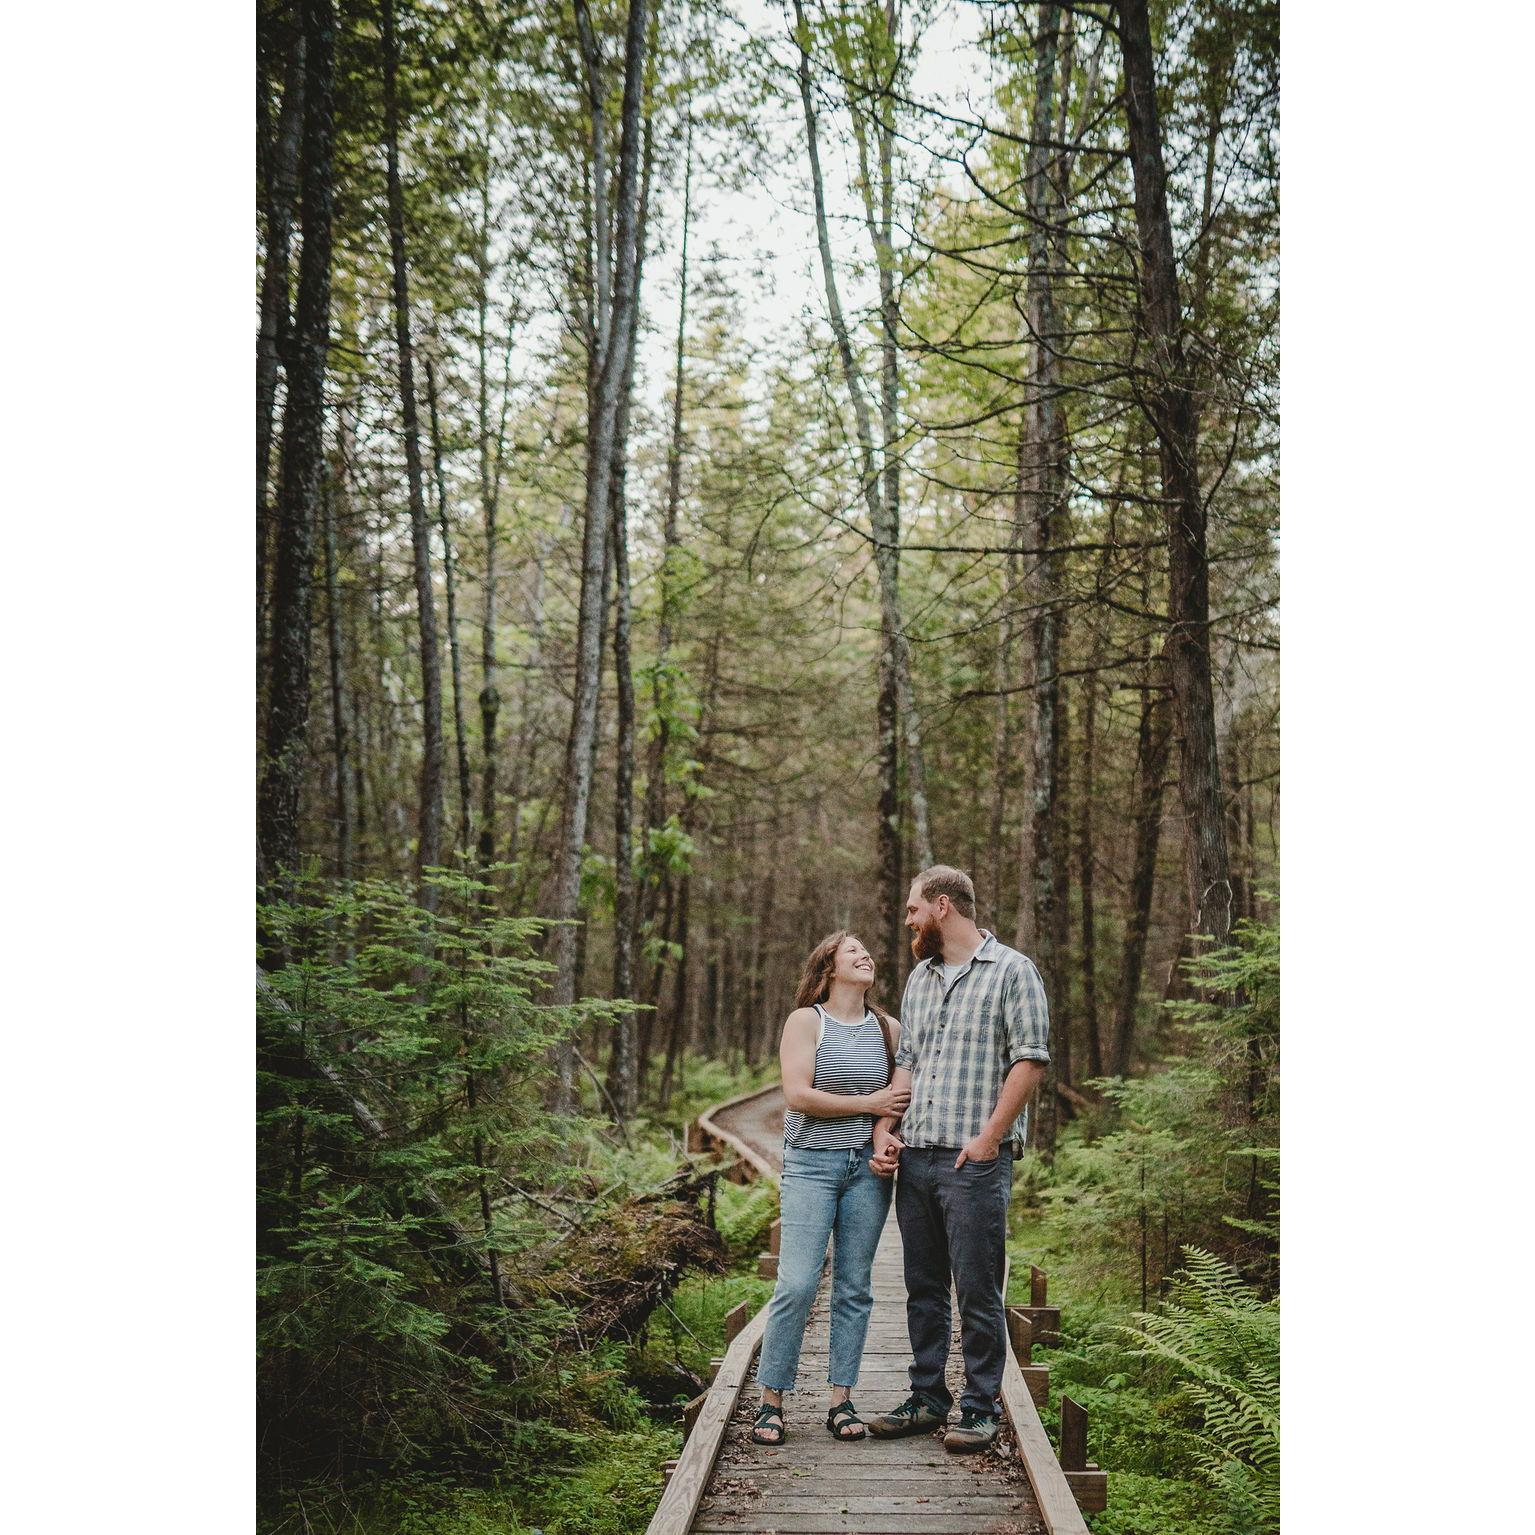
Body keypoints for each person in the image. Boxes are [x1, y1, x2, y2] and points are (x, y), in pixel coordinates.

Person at [865, 865, 1050, 1454]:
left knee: (976, 1288)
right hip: (917, 1157)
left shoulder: (1014, 972)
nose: (909, 919)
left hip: (975, 1162)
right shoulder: (920, 977)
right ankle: (927, 1397)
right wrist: (885, 1129)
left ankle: (978, 1407)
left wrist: (991, 1137)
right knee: (922, 1286)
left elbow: (1030, 1059)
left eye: (914, 908)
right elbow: (910, 1062)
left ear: (943, 906)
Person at [749, 932, 910, 1447]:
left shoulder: (890, 1029)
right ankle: (771, 1399)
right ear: (829, 967)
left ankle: (841, 1400)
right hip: (810, 1167)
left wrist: (886, 1142)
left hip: (866, 1172)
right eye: (853, 951)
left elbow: (896, 1106)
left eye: (867, 951)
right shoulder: (806, 1021)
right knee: (796, 1283)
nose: (866, 956)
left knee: (854, 1287)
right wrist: (871, 1104)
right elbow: (798, 1096)